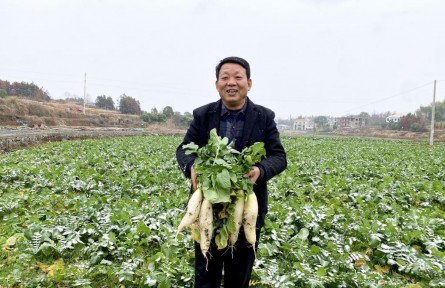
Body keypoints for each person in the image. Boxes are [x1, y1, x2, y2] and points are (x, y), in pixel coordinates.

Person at [176, 56, 287, 288]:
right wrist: (192, 166)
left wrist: (259, 170)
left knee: (239, 278)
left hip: (245, 206)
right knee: (206, 275)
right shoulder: (202, 115)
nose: (231, 83)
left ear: (249, 83)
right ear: (217, 84)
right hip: (208, 204)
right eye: (225, 78)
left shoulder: (264, 117)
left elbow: (279, 157)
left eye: (238, 77)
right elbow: (184, 150)